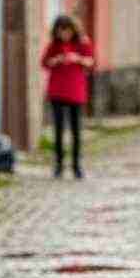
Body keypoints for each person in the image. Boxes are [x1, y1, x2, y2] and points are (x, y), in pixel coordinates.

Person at [40, 14, 93, 179]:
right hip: (57, 91)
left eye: (67, 31)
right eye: (61, 31)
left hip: (75, 91)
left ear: (73, 30)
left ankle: (76, 165)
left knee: (76, 130)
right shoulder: (53, 45)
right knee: (58, 130)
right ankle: (59, 165)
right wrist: (56, 60)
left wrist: (77, 58)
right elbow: (44, 63)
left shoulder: (83, 43)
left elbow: (91, 61)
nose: (64, 35)